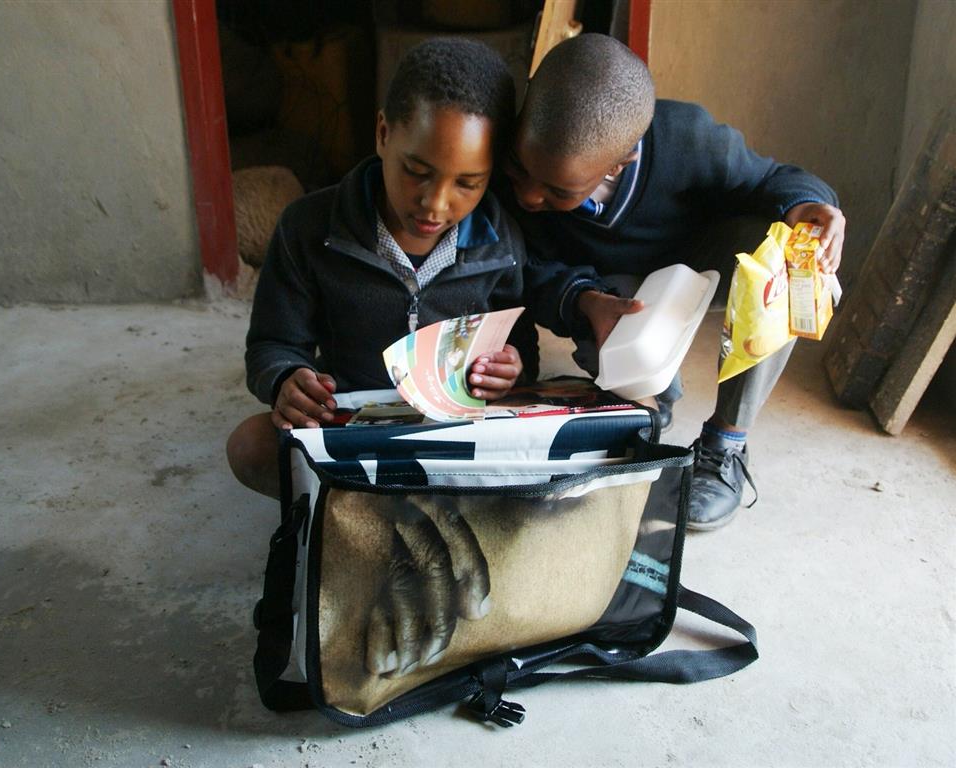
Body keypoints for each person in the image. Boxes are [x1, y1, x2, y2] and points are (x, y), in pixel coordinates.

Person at [502, 33, 846, 530]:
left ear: (618, 163)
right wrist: (582, 301)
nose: (530, 196)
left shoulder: (688, 138)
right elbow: (528, 271)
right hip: (610, 292)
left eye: (558, 191)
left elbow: (769, 178)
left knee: (784, 258)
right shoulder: (514, 156)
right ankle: (645, 415)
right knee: (628, 359)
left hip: (694, 265)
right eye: (520, 171)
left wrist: (810, 205)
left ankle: (726, 445)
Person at [227, 38, 535, 499]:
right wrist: (286, 380)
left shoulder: (502, 242)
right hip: (353, 425)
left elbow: (521, 344)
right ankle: (383, 503)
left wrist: (511, 369)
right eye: (417, 171)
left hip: (456, 429)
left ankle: (386, 503)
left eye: (468, 183)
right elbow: (272, 344)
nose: (435, 203)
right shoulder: (308, 228)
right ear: (383, 133)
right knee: (250, 446)